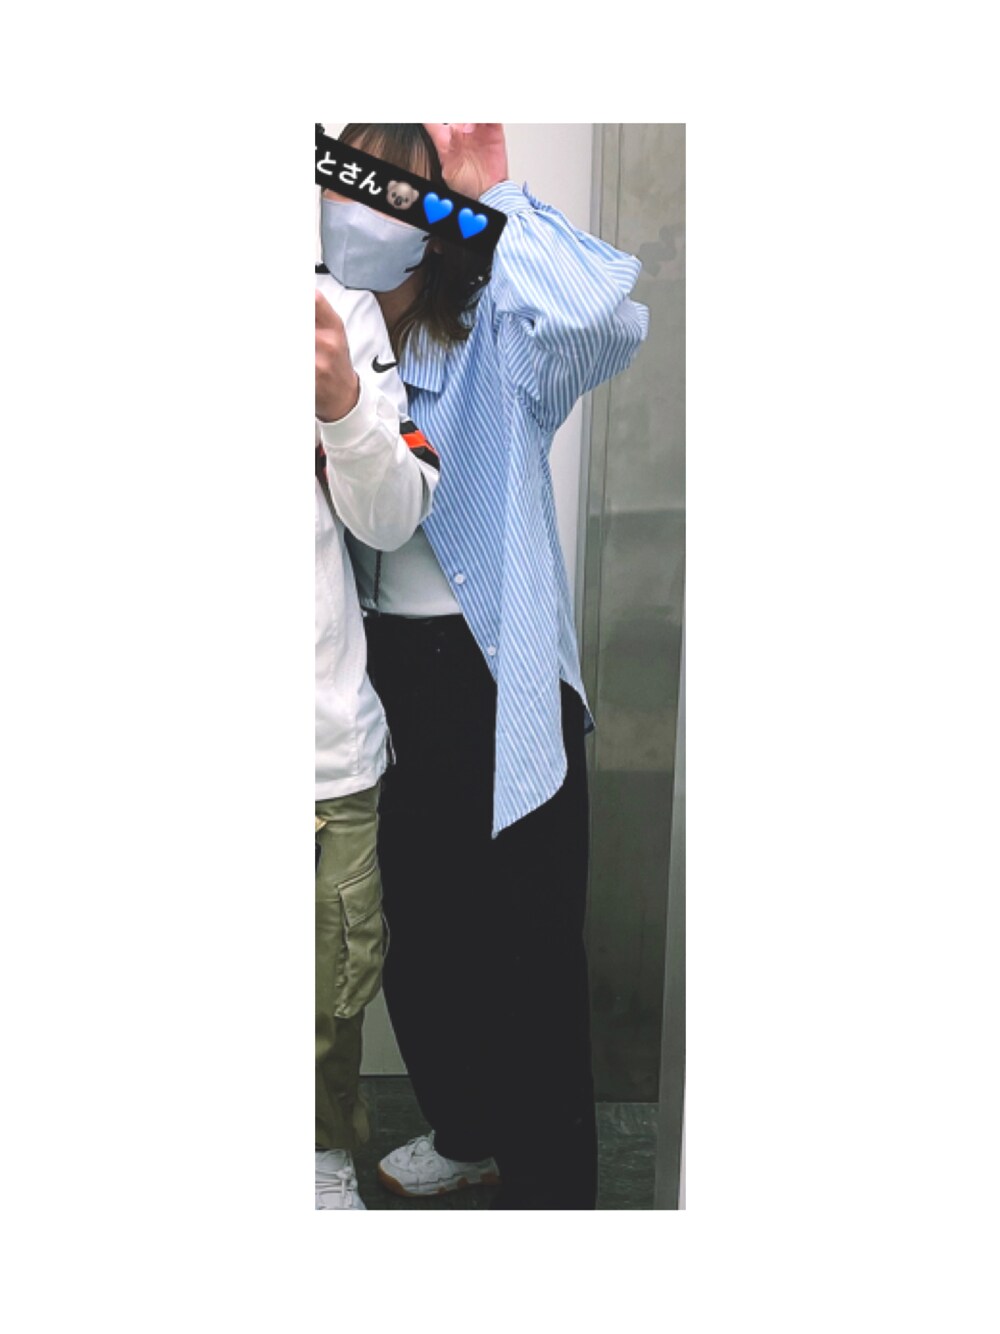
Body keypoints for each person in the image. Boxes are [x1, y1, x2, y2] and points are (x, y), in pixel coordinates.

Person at [328, 122, 649, 1210]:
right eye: (350, 186)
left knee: (528, 948)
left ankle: (554, 1192)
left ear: (433, 222)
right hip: (381, 674)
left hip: (501, 675)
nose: (364, 215)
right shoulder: (325, 335)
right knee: (416, 939)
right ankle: (467, 1129)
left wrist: (493, 193)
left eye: (396, 193)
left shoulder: (495, 333)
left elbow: (602, 316)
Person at [314, 255, 440, 1209]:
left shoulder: (335, 309)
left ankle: (320, 1158)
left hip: (317, 750)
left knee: (326, 997)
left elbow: (394, 518)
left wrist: (344, 405)